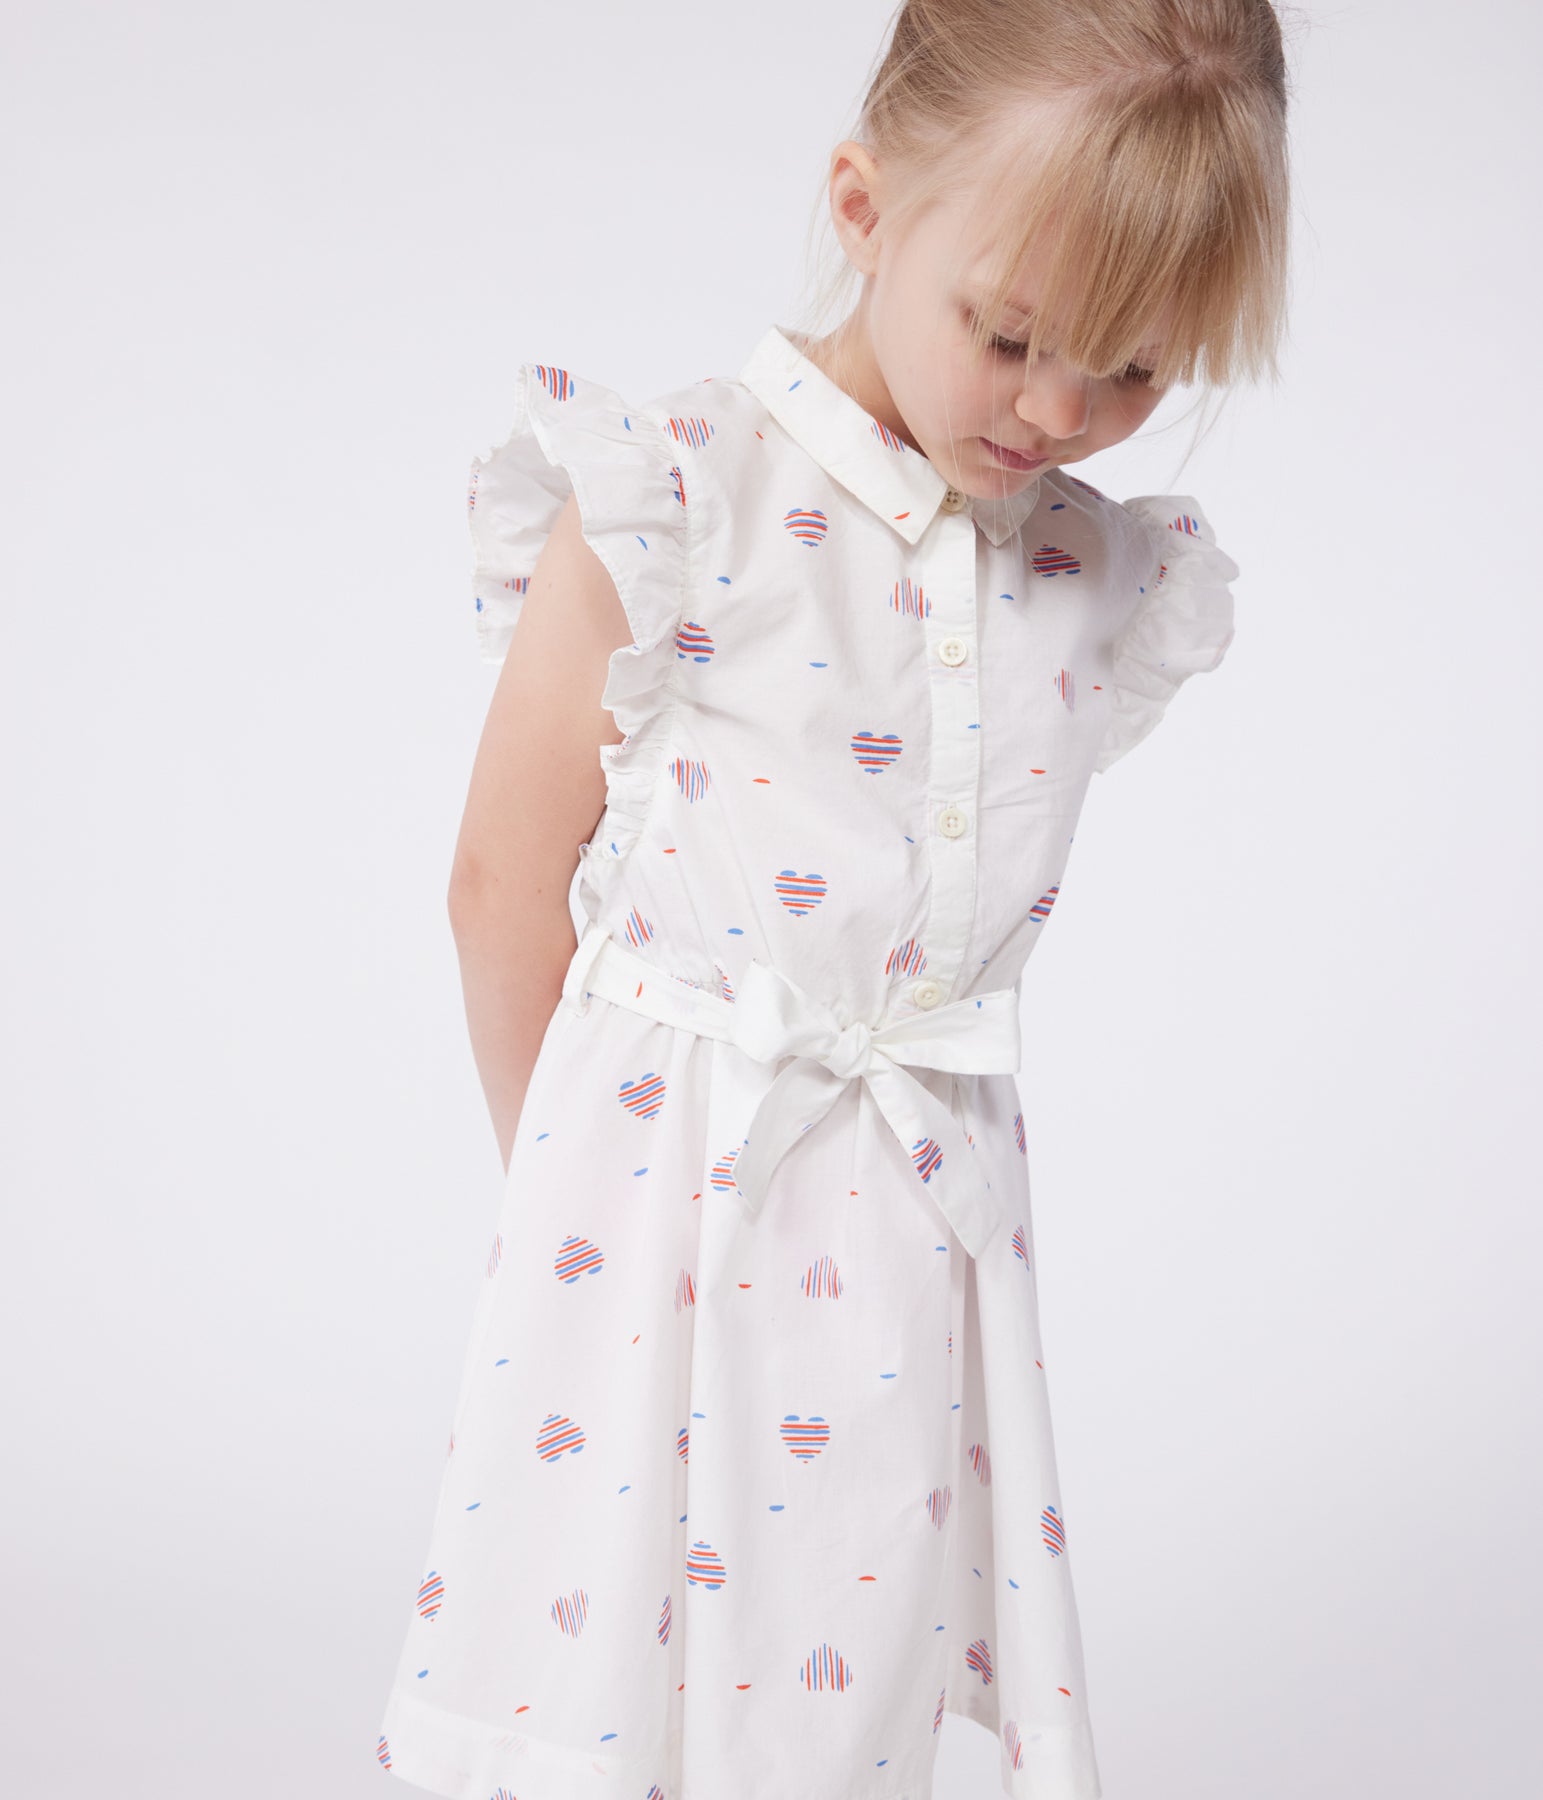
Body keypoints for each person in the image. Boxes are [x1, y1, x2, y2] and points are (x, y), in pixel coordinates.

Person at [374, 2, 1291, 1796]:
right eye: (1010, 335)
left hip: (919, 1215)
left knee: (850, 1641)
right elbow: (500, 880)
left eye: (1133, 366)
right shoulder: (678, 495)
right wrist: (572, 1187)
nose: (1059, 412)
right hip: (660, 1190)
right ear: (866, 210)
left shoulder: (1088, 569)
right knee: (613, 1636)